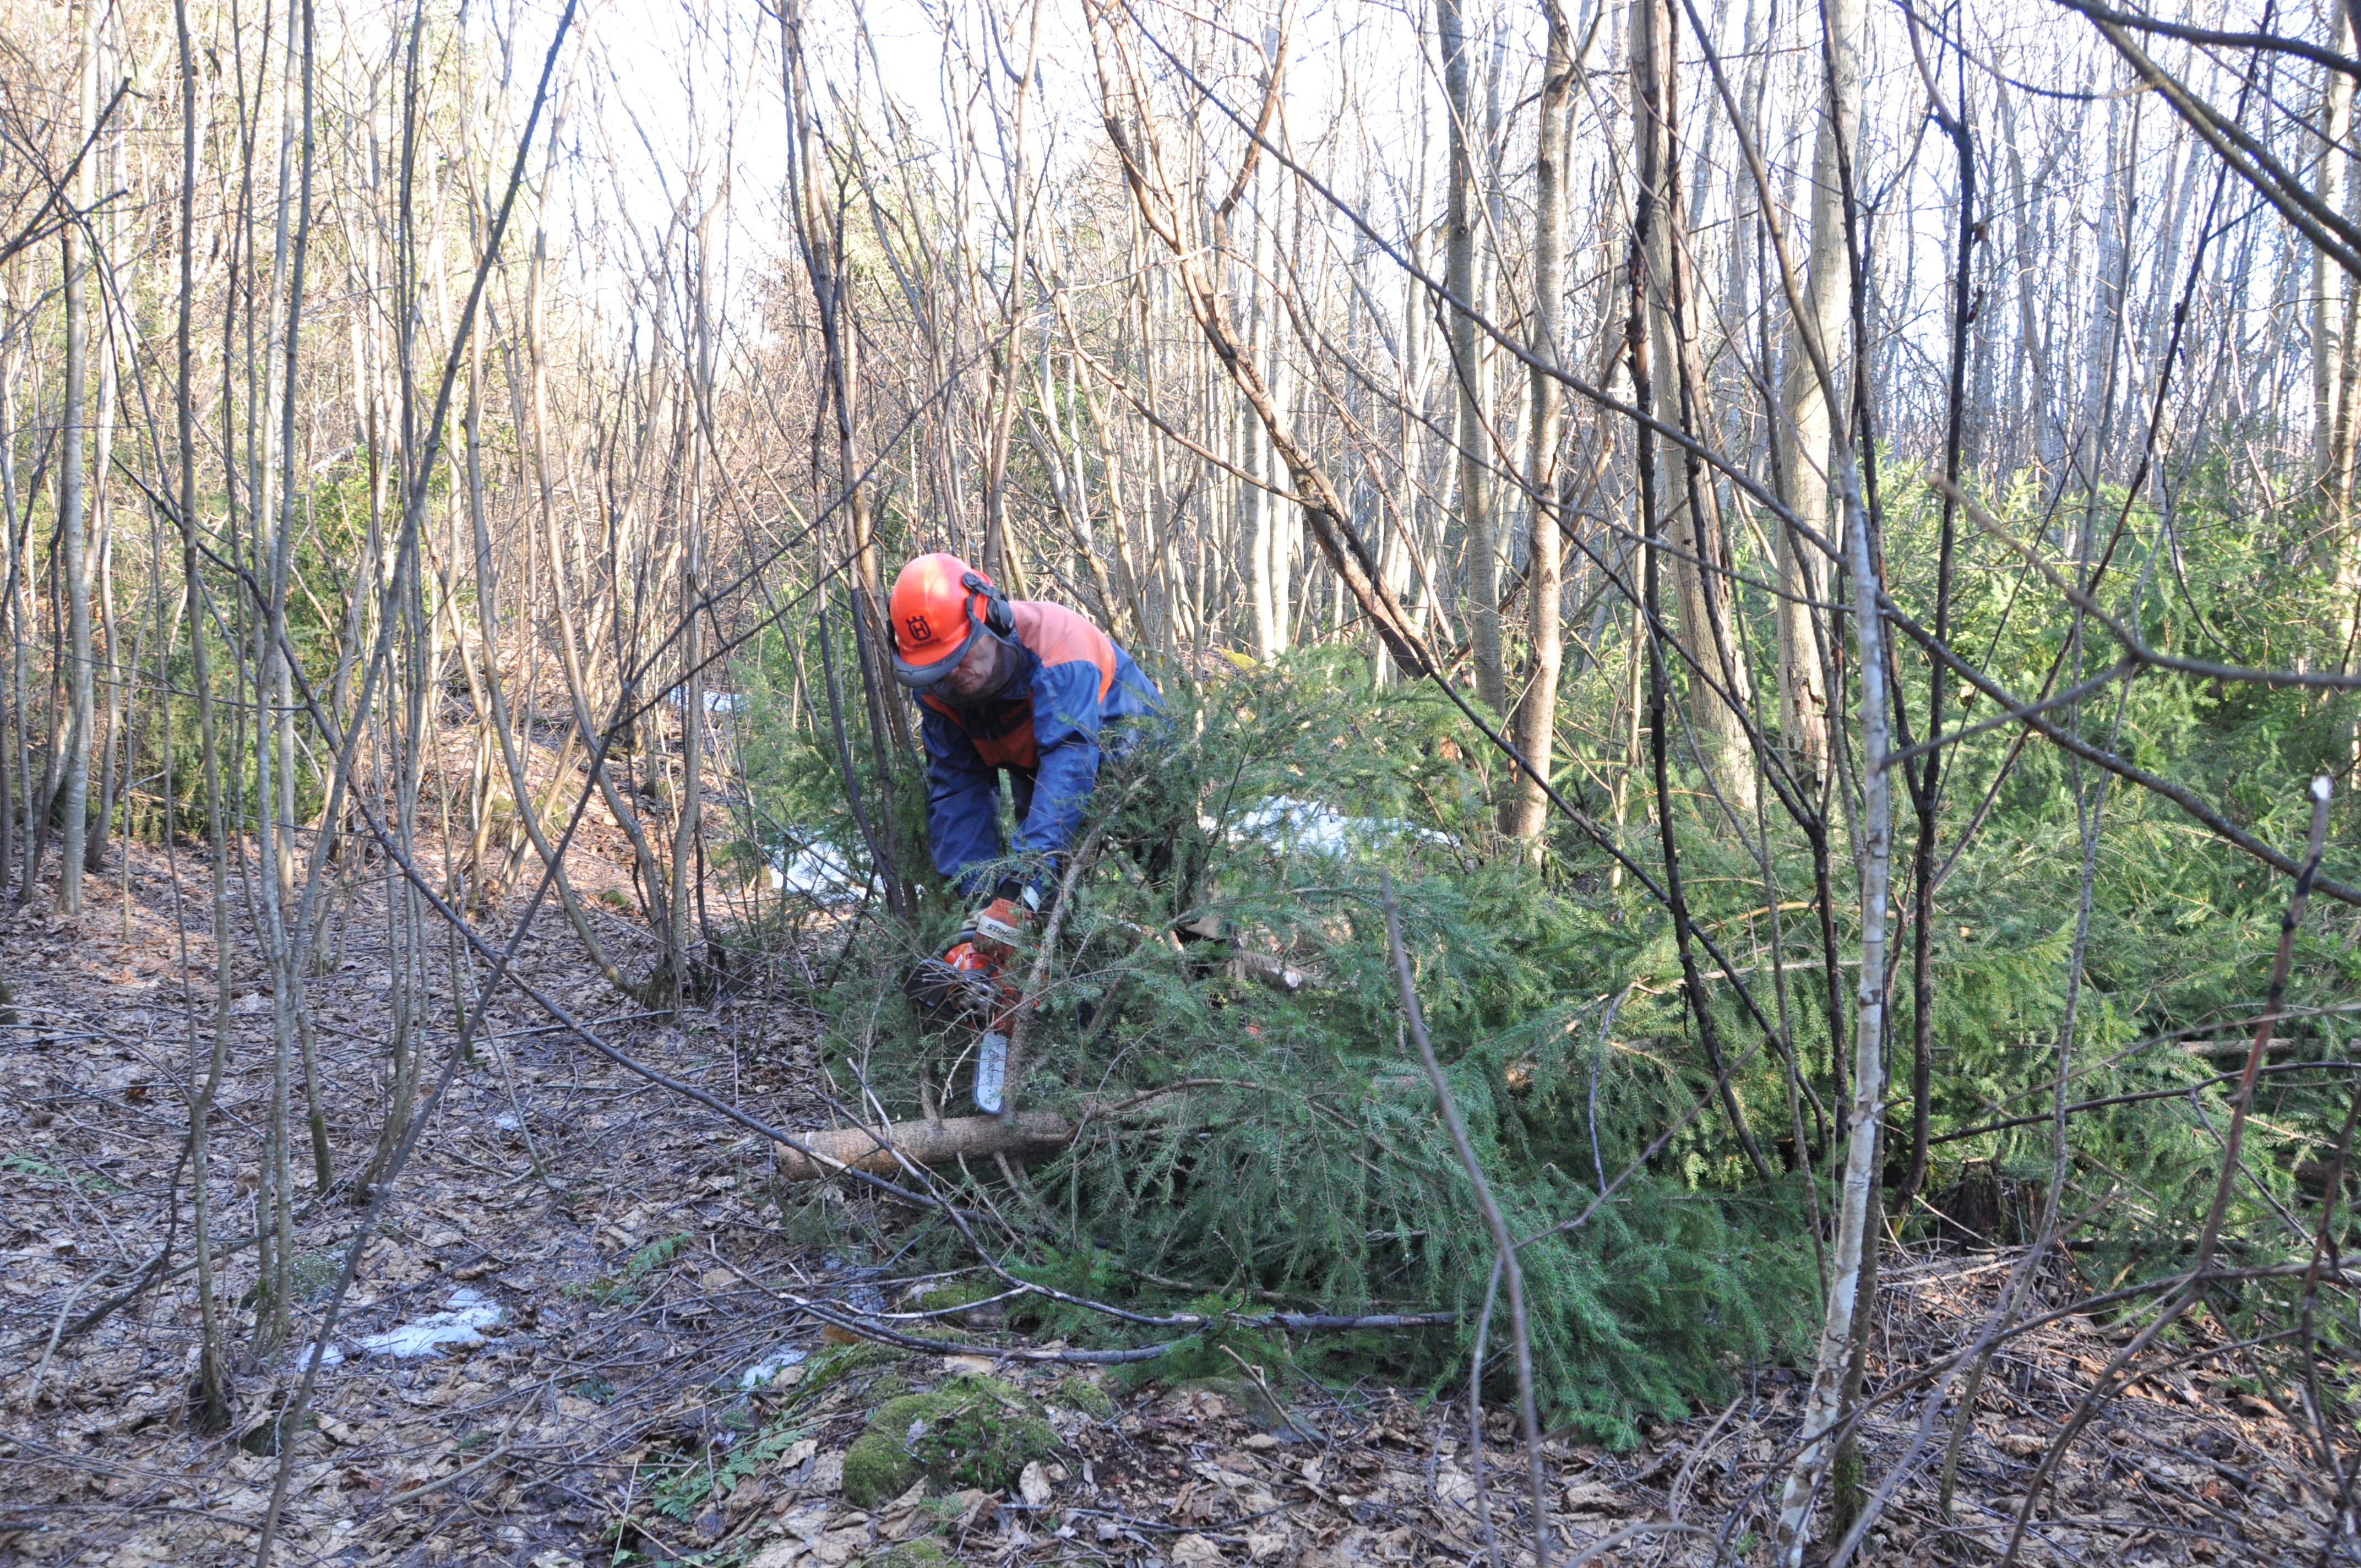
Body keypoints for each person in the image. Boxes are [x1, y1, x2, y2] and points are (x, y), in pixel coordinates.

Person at [888, 553, 1165, 1108]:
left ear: (990, 617)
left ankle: (1223, 987)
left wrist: (1020, 888)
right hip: (1038, 764)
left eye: (961, 657)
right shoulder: (941, 691)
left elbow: (1071, 764)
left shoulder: (1059, 648)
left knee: (1173, 876)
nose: (953, 675)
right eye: (937, 667)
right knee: (1053, 910)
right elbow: (956, 792)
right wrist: (984, 907)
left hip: (1132, 755)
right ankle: (1082, 1057)